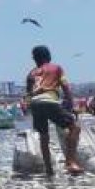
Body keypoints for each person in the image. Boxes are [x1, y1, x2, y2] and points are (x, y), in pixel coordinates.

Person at [25, 45, 82, 175]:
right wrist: (71, 105)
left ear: (35, 58)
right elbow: (66, 87)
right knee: (74, 128)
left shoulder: (31, 73)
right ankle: (70, 162)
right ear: (48, 56)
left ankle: (49, 170)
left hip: (35, 103)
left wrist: (31, 108)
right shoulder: (56, 68)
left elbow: (28, 94)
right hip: (49, 100)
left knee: (43, 136)